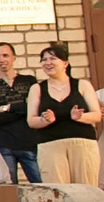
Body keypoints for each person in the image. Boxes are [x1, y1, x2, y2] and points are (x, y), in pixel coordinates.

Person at [25, 42, 102, 187]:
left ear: (65, 63)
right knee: (59, 191)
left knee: (87, 190)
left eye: (52, 59)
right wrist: (45, 120)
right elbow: (31, 120)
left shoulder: (82, 85)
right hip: (50, 145)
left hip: (83, 144)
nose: (48, 62)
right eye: (44, 59)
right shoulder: (37, 88)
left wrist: (80, 117)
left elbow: (97, 115)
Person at [0, 43, 42, 183]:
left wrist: (7, 107)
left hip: (29, 142)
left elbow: (35, 108)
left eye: (5, 55)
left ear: (14, 58)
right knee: (10, 188)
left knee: (41, 184)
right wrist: (22, 108)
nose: (1, 59)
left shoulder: (29, 81)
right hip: (4, 143)